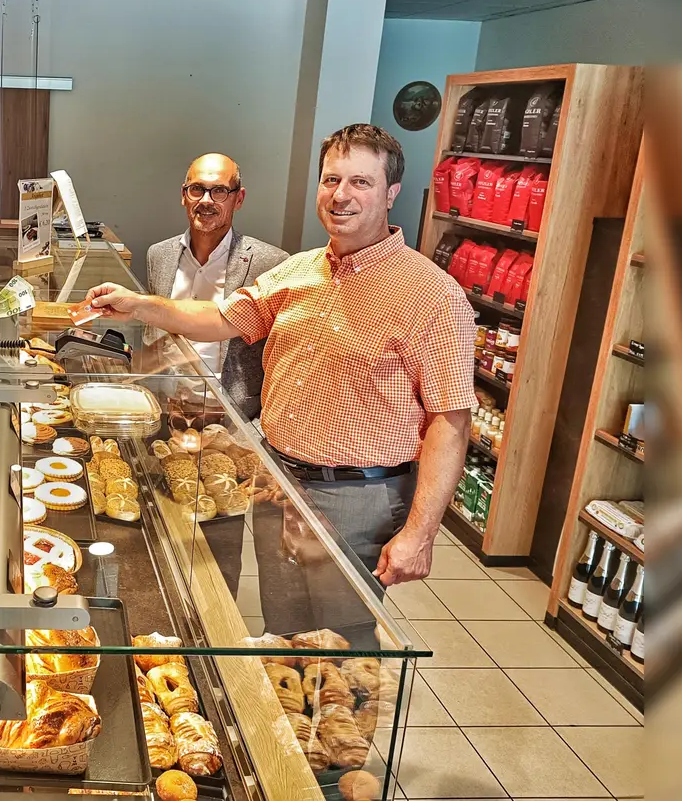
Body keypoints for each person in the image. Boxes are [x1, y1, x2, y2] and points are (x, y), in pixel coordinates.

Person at [88, 125, 475, 587]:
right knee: (284, 635)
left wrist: (421, 532)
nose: (341, 195)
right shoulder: (300, 269)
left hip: (358, 494)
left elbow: (451, 423)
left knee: (341, 639)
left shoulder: (432, 294)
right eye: (331, 180)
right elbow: (221, 318)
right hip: (277, 482)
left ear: (391, 192)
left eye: (361, 182)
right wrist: (139, 304)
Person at [145, 153, 289, 420]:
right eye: (197, 189)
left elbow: (278, 358)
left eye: (220, 191)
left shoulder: (272, 263)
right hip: (165, 407)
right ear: (183, 195)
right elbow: (154, 333)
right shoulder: (159, 255)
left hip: (230, 416)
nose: (206, 201)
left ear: (239, 199)